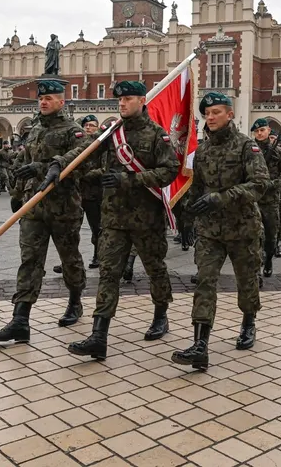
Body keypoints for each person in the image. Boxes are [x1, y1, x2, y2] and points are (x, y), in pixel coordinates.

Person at [42, 82, 180, 360]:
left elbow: (169, 171)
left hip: (146, 219)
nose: (122, 103)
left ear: (142, 101)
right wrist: (59, 162)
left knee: (155, 269)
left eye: (128, 99)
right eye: (119, 100)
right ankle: (99, 335)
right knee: (108, 274)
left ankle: (161, 314)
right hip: (114, 218)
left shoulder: (156, 136)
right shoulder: (112, 132)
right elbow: (85, 150)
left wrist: (130, 179)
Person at [171, 92, 269, 371]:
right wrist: (186, 217)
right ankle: (200, 344)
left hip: (243, 229)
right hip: (210, 231)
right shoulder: (201, 151)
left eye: (216, 112)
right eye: (207, 114)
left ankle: (249, 322)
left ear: (229, 114)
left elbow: (259, 185)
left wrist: (221, 197)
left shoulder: (246, 147)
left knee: (247, 281)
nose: (210, 118)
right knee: (204, 281)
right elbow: (198, 189)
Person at [0, 80, 87, 345]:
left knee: (69, 259)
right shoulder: (34, 130)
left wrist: (41, 168)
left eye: (50, 98)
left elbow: (80, 165)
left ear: (61, 102)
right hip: (34, 208)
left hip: (63, 208)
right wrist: (17, 194)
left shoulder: (73, 131)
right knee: (30, 260)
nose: (43, 102)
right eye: (41, 99)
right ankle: (20, 320)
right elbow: (22, 163)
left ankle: (75, 301)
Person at [251, 118, 281, 278]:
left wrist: (274, 184)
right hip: (252, 201)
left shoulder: (279, 153)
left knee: (271, 236)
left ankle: (268, 258)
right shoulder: (248, 151)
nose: (259, 133)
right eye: (256, 131)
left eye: (262, 130)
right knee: (253, 237)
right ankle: (256, 271)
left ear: (268, 131)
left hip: (270, 201)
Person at [80, 115, 102, 270]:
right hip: (77, 193)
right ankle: (69, 261)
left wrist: (89, 175)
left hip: (94, 193)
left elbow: (106, 167)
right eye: (86, 125)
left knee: (96, 228)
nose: (88, 128)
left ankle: (98, 256)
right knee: (71, 228)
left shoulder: (101, 144)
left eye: (91, 125)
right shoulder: (79, 144)